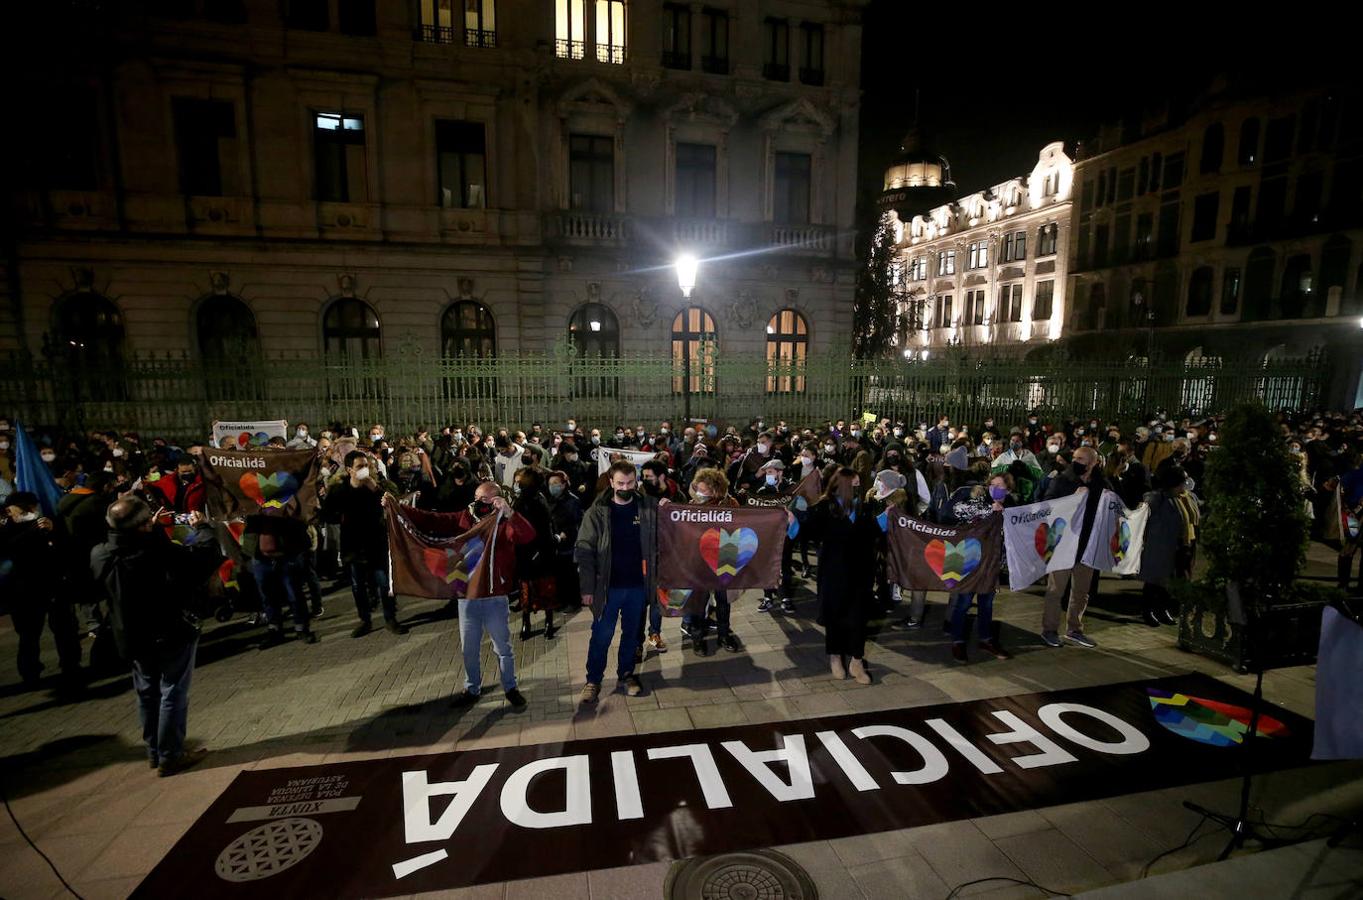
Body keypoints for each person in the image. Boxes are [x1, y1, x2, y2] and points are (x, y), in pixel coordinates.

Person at [90, 496, 223, 776]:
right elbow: (200, 561)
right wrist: (204, 528)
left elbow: (133, 551)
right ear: (140, 527)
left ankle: (155, 751)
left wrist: (150, 531)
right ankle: (170, 755)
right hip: (168, 630)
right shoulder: (156, 552)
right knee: (173, 691)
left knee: (147, 693)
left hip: (131, 636)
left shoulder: (101, 553)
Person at [403, 482, 534, 709]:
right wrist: (400, 508)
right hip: (468, 595)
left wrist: (510, 513)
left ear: (496, 500)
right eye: (476, 497)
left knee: (502, 647)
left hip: (494, 596)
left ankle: (510, 688)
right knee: (469, 648)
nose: (477, 503)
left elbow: (528, 536)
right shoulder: (466, 518)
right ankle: (472, 687)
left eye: (484, 499)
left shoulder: (503, 522)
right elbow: (434, 520)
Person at [575, 460, 658, 703]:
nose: (625, 487)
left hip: (637, 587)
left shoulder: (647, 509)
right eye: (620, 483)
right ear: (610, 482)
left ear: (636, 482)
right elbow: (584, 549)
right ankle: (593, 681)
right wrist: (587, 588)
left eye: (630, 482)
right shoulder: (597, 512)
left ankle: (626, 675)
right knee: (601, 635)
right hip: (607, 588)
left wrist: (665, 504)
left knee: (632, 635)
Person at [804, 467, 878, 684]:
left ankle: (857, 660)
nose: (858, 486)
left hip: (861, 572)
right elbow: (810, 532)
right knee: (835, 617)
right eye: (854, 483)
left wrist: (886, 519)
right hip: (834, 573)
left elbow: (871, 532)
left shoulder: (863, 507)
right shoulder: (825, 507)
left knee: (858, 618)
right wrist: (793, 521)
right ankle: (835, 657)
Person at [1, 492, 83, 688]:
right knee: (29, 634)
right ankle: (30, 671)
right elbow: (7, 549)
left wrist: (53, 530)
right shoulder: (6, 529)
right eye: (22, 508)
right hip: (25, 592)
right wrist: (31, 532)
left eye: (30, 507)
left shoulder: (49, 523)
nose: (28, 511)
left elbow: (67, 547)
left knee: (65, 628)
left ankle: (71, 664)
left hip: (54, 585)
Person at [323, 451, 407, 637]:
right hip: (353, 547)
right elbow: (328, 514)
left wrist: (375, 488)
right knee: (358, 586)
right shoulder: (340, 490)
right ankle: (365, 620)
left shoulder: (376, 486)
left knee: (384, 584)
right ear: (349, 470)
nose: (364, 470)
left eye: (366, 466)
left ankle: (390, 618)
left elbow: (395, 503)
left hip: (376, 544)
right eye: (360, 467)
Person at [1039, 445, 1110, 648]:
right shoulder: (1062, 480)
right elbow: (1047, 505)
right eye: (1075, 457)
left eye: (1082, 459)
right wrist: (1073, 497)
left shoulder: (1102, 483)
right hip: (1063, 543)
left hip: (1087, 545)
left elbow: (1112, 505)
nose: (1076, 462)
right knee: (1055, 590)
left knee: (1081, 591)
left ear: (1094, 463)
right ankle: (1049, 630)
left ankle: (1074, 630)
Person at [940, 473, 1014, 662]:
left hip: (992, 566)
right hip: (970, 561)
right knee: (963, 603)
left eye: (1000, 486)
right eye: (992, 484)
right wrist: (990, 509)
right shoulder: (979, 498)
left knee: (986, 604)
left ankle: (986, 639)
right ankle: (958, 641)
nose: (995, 488)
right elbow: (958, 510)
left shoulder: (1012, 507)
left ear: (1008, 489)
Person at [679, 468, 742, 656]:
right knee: (699, 600)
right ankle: (697, 638)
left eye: (703, 490)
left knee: (724, 600)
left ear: (715, 490)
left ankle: (724, 634)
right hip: (700, 560)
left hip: (725, 555)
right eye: (698, 488)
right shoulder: (693, 505)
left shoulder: (731, 504)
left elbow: (740, 526)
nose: (699, 493)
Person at [242, 505, 317, 647]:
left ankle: (301, 628)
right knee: (268, 596)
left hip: (286, 554)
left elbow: (298, 516)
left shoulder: (285, 494)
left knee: (294, 593)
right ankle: (275, 630)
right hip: (261, 556)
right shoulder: (253, 500)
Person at [511, 466, 558, 641]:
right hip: (524, 552)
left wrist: (540, 550)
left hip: (540, 552)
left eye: (520, 479)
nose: (517, 481)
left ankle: (548, 621)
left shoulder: (538, 500)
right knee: (526, 589)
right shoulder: (521, 499)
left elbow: (545, 529)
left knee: (545, 587)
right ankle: (526, 621)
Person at [1137, 465, 1186, 627]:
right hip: (1155, 546)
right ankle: (1147, 610)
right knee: (1153, 581)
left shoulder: (1177, 499)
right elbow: (1142, 517)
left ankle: (1161, 609)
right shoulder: (1156, 498)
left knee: (1165, 582)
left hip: (1170, 546)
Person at [546, 470, 584, 611]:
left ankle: (573, 602)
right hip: (555, 542)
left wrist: (566, 533)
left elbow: (576, 522)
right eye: (550, 484)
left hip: (569, 543)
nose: (552, 486)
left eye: (555, 483)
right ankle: (561, 600)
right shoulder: (550, 500)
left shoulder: (572, 500)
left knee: (570, 575)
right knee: (560, 574)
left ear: (563, 484)